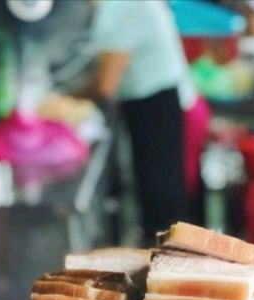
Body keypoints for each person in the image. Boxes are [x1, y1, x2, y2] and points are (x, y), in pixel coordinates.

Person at [76, 0, 208, 242]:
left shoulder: (122, 6)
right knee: (164, 209)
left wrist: (67, 95)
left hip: (164, 108)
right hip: (156, 105)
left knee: (168, 213)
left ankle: (175, 263)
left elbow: (105, 85)